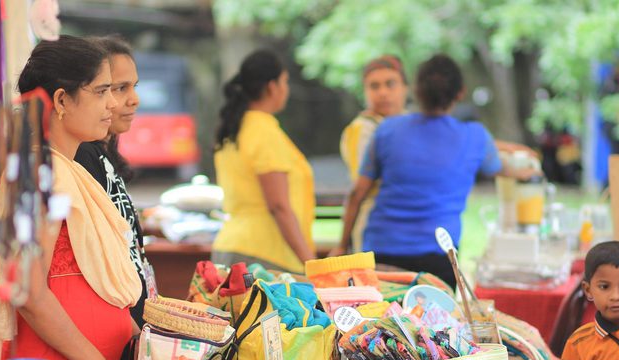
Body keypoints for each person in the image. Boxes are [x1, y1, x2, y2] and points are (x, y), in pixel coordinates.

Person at [0, 36, 142, 360]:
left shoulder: (68, 171)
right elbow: (30, 293)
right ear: (63, 100)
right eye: (101, 92)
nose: (113, 103)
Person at [332, 54, 537, 289]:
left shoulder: (387, 131)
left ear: (416, 90)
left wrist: (342, 244)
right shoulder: (475, 137)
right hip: (439, 256)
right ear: (460, 93)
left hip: (382, 253)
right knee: (437, 326)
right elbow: (502, 168)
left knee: (382, 322)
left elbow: (357, 193)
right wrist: (525, 171)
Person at [212, 50, 315, 274]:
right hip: (263, 256)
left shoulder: (235, 129)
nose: (286, 89)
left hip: (231, 247)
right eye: (285, 82)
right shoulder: (264, 132)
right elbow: (278, 206)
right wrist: (312, 264)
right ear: (272, 86)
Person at [74, 35, 149, 328]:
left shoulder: (101, 153)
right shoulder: (82, 155)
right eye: (118, 88)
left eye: (134, 86)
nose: (134, 99)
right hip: (114, 323)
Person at [340, 55, 408, 251]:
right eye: (374, 86)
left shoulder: (411, 123)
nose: (383, 93)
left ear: (405, 88)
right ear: (365, 92)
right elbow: (361, 187)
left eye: (390, 84)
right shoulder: (362, 129)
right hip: (377, 227)